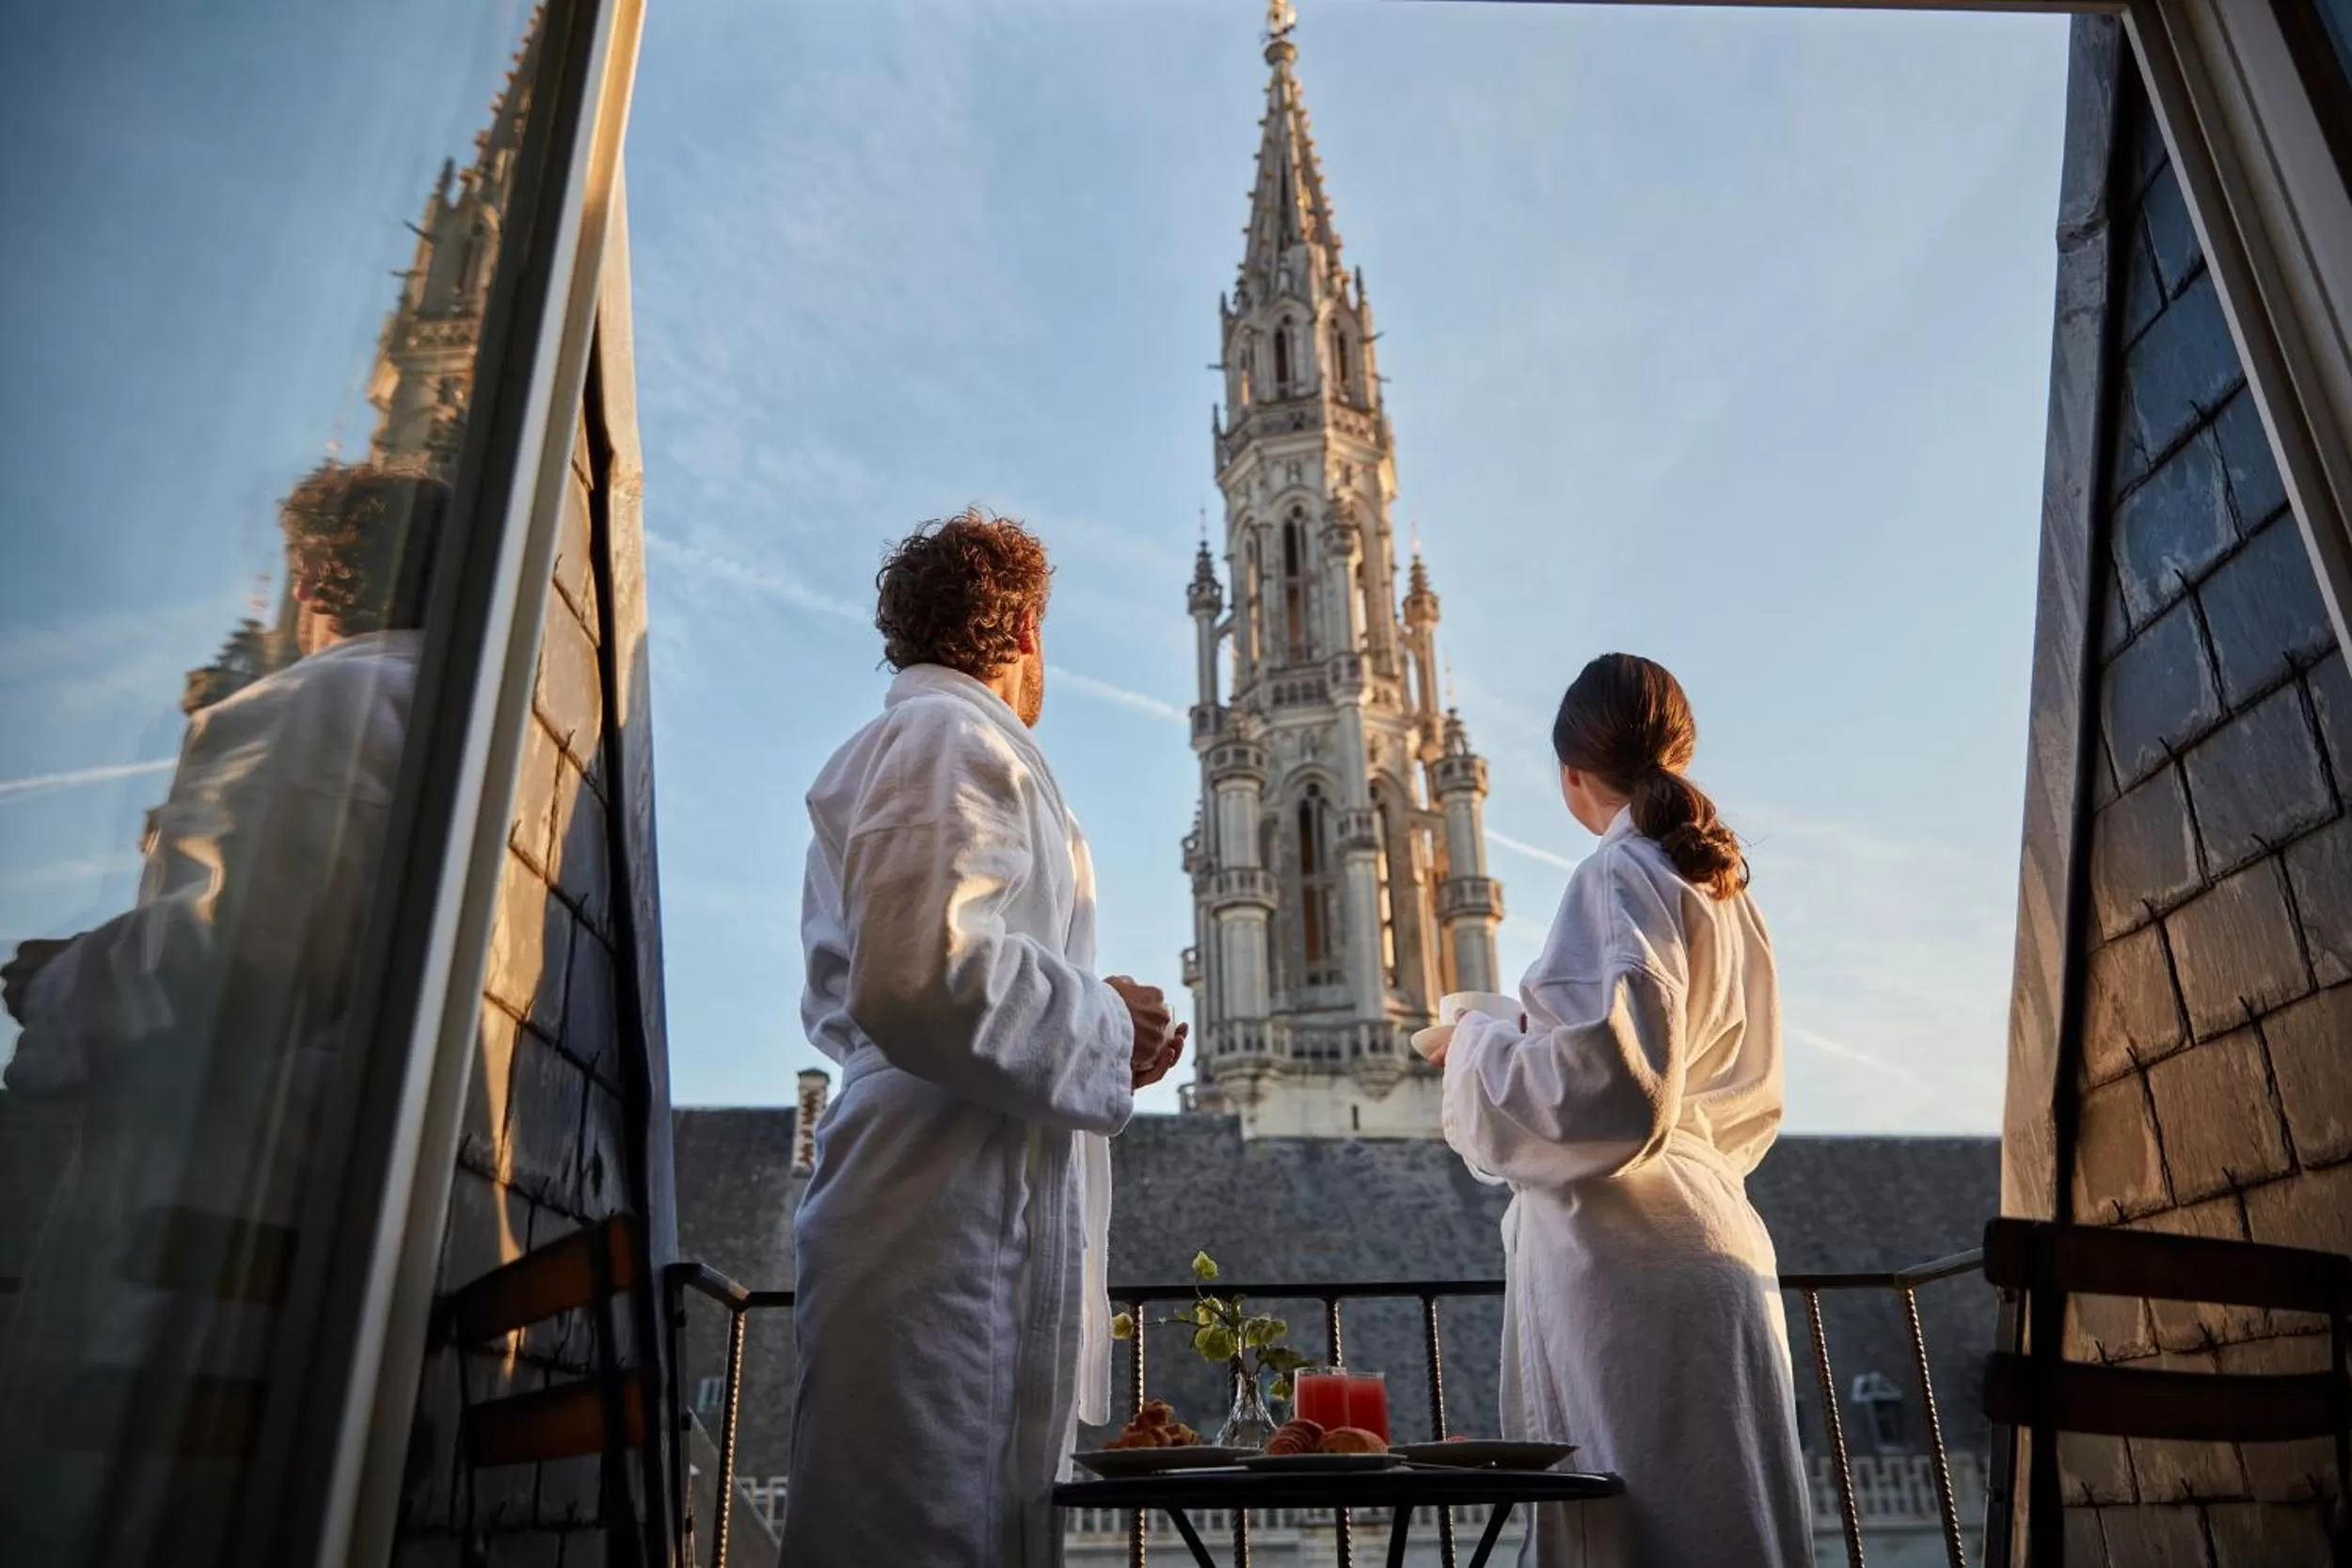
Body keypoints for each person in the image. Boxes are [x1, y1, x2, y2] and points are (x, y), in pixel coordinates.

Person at [0, 463, 445, 1563]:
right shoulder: (461, 718)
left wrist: (56, 981)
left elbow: (209, 967)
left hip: (218, 1231)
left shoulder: (301, 706)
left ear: (312, 580)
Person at [782, 507, 1185, 1568]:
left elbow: (923, 979)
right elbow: (925, 975)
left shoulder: (949, 744)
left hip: (954, 1200)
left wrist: (1107, 1034)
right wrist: (1102, 1015)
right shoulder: (946, 737)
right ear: (1025, 633)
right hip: (935, 1221)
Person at [1426, 653, 1808, 1568]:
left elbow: (1615, 1089)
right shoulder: (1719, 888)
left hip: (1632, 1269)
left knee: (1635, 1533)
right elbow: (1727, 1089)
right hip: (1712, 1239)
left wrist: (1472, 1047)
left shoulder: (1615, 874)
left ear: (1570, 774)